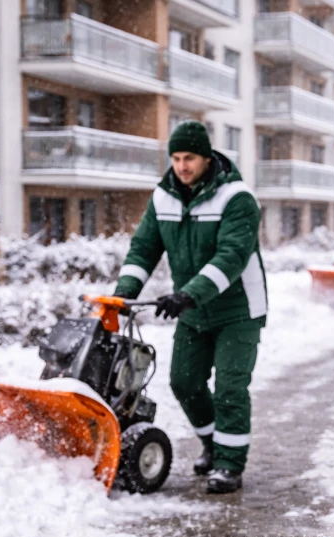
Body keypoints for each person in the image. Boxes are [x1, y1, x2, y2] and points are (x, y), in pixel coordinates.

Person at [114, 120, 267, 495]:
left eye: (190, 158)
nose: (182, 166)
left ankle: (229, 466)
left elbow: (231, 257)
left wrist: (187, 294)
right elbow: (144, 247)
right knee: (184, 382)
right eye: (176, 158)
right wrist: (125, 292)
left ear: (206, 157)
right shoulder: (163, 196)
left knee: (231, 387)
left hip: (238, 310)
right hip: (194, 307)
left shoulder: (236, 198)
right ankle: (215, 445)